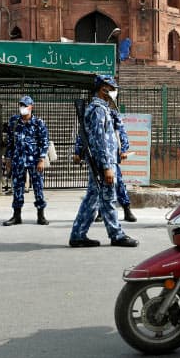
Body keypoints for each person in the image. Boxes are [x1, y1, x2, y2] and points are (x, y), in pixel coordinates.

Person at [69, 75, 139, 248]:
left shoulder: (102, 109)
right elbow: (99, 140)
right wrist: (107, 167)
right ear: (103, 89)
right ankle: (116, 235)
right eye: (112, 88)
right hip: (102, 163)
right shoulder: (98, 110)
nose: (114, 92)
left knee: (93, 198)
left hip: (103, 161)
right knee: (108, 198)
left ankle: (78, 235)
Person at [2, 95, 50, 226]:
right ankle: (16, 216)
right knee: (17, 186)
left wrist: (41, 159)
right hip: (18, 160)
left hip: (34, 160)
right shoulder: (14, 121)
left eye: (25, 105)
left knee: (38, 187)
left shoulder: (38, 122)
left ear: (31, 107)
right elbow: (10, 142)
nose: (22, 108)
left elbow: (44, 142)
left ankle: (41, 215)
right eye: (21, 105)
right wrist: (8, 159)